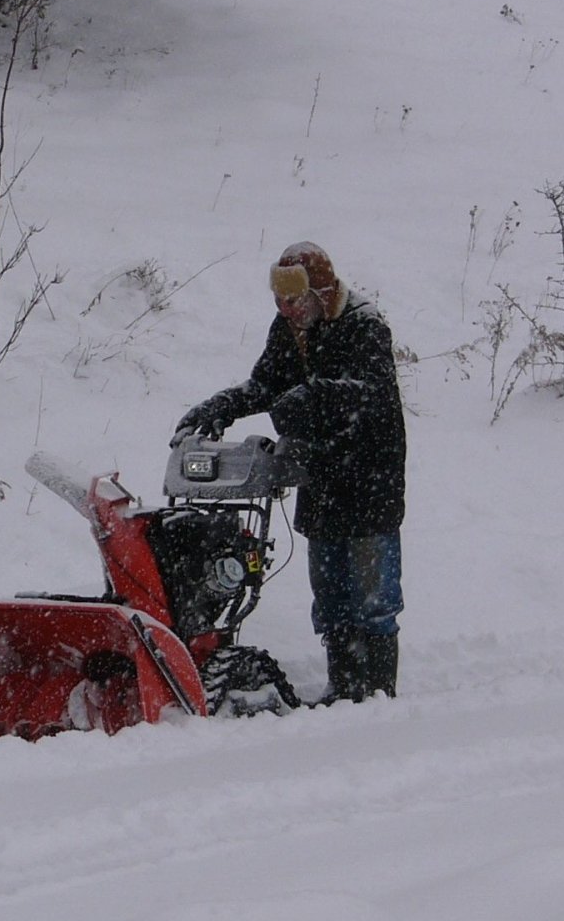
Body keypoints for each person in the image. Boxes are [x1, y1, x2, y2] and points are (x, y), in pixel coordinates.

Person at [173, 241, 406, 701]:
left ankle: (378, 694)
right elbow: (267, 382)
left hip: (369, 480)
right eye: (279, 301)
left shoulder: (364, 326)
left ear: (321, 291)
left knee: (372, 596)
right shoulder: (289, 328)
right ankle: (344, 688)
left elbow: (370, 395)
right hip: (322, 479)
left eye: (295, 301)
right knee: (331, 594)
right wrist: (226, 405)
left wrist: (313, 396)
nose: (287, 310)